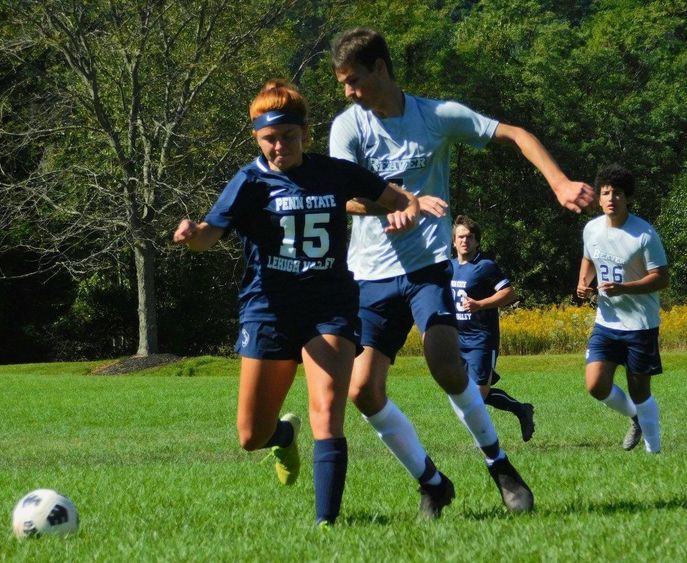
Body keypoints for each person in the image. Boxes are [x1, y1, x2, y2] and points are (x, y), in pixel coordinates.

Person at [329, 27, 594, 516]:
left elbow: (515, 133)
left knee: (446, 363)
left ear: (381, 69)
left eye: (354, 80)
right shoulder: (349, 127)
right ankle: (432, 482)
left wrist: (559, 182)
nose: (348, 92)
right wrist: (396, 202)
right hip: (369, 274)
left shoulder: (437, 116)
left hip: (426, 266)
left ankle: (500, 466)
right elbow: (343, 196)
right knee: (363, 392)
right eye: (344, 83)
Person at [173, 79, 419, 526]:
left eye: (287, 136)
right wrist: (192, 236)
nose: (279, 146)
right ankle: (284, 436)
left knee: (327, 410)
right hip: (268, 309)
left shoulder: (333, 172)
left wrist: (404, 208)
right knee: (251, 436)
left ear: (305, 132)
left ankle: (326, 525)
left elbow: (395, 196)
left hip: (330, 305)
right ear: (256, 137)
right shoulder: (249, 181)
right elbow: (209, 236)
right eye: (269, 138)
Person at [576, 164, 668, 454]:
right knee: (595, 385)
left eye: (617, 193)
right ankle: (635, 419)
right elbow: (589, 258)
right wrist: (583, 282)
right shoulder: (591, 229)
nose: (611, 198)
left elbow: (662, 278)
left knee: (641, 391)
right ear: (599, 198)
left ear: (627, 197)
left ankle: (654, 452)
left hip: (640, 325)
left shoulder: (644, 234)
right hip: (606, 322)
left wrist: (625, 288)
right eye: (605, 193)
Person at [450, 215, 535, 442]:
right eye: (460, 237)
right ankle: (521, 409)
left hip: (481, 339)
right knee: (470, 396)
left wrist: (480, 304)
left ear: (477, 241)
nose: (465, 241)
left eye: (469, 237)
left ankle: (492, 441)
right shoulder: (448, 267)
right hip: (456, 339)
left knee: (477, 397)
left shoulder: (485, 266)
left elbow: (509, 293)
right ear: (454, 241)